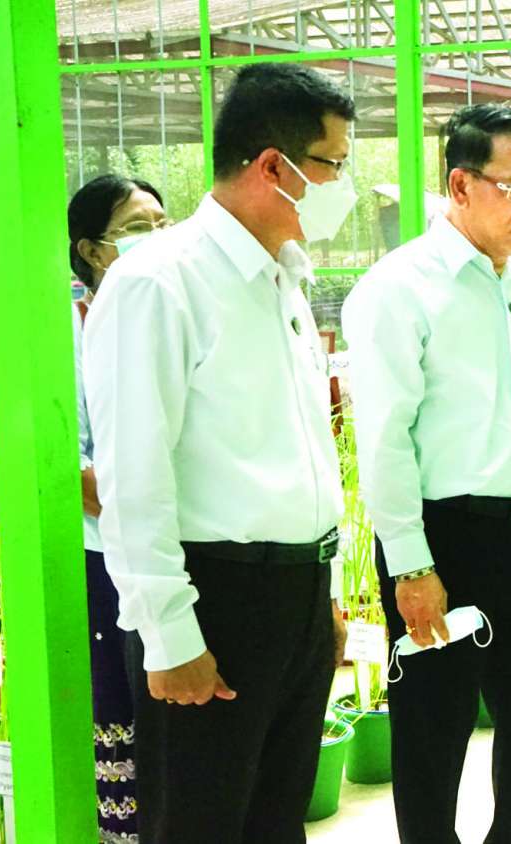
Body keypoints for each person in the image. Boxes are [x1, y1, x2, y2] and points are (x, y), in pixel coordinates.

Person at [84, 63, 357, 843]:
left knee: (276, 822)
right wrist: (169, 636)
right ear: (274, 165)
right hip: (216, 600)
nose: (342, 186)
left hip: (295, 597)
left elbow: (296, 452)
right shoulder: (159, 282)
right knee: (199, 825)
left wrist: (323, 593)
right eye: (333, 165)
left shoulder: (283, 277)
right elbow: (136, 477)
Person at [341, 104, 511, 844]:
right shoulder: (398, 290)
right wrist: (411, 566)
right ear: (460, 186)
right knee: (434, 727)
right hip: (441, 540)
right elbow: (385, 441)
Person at [67, 173, 169, 844]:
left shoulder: (172, 311)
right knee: (122, 702)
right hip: (107, 554)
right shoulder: (66, 333)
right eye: (136, 229)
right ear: (91, 250)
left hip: (181, 552)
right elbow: (72, 466)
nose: (156, 238)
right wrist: (148, 499)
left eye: (163, 223)